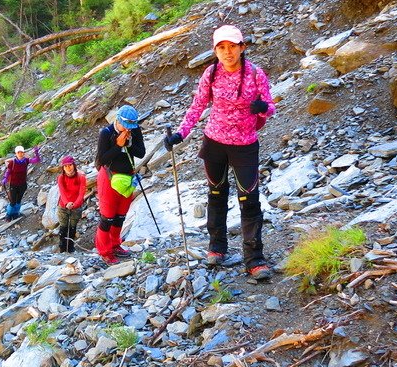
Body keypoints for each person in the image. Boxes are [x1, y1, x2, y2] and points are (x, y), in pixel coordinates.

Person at [165, 25, 275, 279]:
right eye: (222, 48)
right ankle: (217, 248)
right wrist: (180, 134)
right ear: (215, 50)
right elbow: (198, 105)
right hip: (214, 142)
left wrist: (262, 108)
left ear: (242, 47)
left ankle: (255, 259)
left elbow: (270, 107)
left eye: (232, 47)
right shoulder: (211, 73)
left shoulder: (256, 74)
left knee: (250, 200)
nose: (227, 53)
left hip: (245, 144)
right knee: (216, 194)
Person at [94, 104, 145, 264]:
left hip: (126, 177)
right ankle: (105, 251)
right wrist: (118, 145)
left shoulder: (134, 130)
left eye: (131, 126)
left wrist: (129, 144)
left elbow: (141, 152)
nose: (128, 129)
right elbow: (102, 159)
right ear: (118, 120)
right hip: (109, 178)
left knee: (120, 215)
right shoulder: (106, 133)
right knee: (107, 216)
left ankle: (115, 244)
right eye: (125, 125)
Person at [2, 144, 40, 221]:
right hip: (13, 184)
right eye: (19, 152)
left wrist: (36, 152)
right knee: (13, 201)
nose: (20, 154)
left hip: (22, 185)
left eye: (22, 152)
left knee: (18, 200)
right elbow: (8, 171)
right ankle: (9, 215)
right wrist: (5, 178)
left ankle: (15, 214)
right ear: (16, 153)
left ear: (23, 153)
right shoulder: (12, 163)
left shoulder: (26, 161)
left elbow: (37, 160)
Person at [56, 155, 86, 253]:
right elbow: (62, 192)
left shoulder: (81, 177)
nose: (68, 168)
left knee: (73, 227)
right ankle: (62, 248)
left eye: (70, 165)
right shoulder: (60, 178)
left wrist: (75, 204)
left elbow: (81, 193)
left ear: (74, 165)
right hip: (63, 206)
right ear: (63, 168)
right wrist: (66, 203)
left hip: (76, 206)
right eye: (66, 166)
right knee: (63, 227)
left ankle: (70, 247)